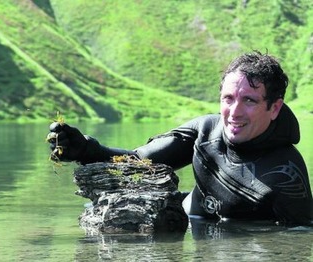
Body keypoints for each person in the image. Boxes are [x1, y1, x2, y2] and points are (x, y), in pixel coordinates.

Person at [47, 50, 313, 226]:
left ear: (274, 108)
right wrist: (84, 149)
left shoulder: (286, 176)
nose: (234, 112)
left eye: (249, 101)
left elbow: (297, 244)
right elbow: (138, 162)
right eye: (228, 99)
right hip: (190, 220)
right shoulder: (206, 132)